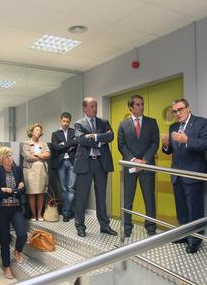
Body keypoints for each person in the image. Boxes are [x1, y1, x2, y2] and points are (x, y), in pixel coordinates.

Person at [161, 99, 207, 253]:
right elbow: (171, 151)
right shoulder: (173, 127)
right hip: (177, 174)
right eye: (174, 111)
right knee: (181, 208)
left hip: (193, 173)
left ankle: (195, 240)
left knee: (194, 209)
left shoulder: (201, 122)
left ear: (188, 108)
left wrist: (187, 140)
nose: (177, 113)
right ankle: (183, 234)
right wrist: (165, 145)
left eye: (180, 109)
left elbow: (206, 144)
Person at [74, 97, 117, 238]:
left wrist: (94, 136)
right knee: (82, 197)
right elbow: (81, 139)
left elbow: (110, 136)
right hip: (85, 164)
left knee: (101, 196)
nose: (95, 109)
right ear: (84, 108)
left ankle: (104, 226)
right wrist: (99, 142)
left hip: (101, 163)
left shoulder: (103, 122)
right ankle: (80, 226)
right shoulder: (79, 124)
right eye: (92, 106)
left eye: (96, 106)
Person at [117, 94, 159, 238]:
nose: (141, 107)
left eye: (142, 104)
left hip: (147, 166)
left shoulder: (152, 123)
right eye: (138, 104)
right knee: (127, 200)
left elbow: (155, 143)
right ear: (130, 107)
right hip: (130, 166)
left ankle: (151, 227)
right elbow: (121, 145)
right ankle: (127, 227)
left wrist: (144, 160)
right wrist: (134, 160)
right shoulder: (123, 125)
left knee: (149, 199)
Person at [0, 146, 27, 279]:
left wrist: (9, 190)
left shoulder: (17, 169)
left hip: (15, 208)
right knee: (5, 238)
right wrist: (15, 190)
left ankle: (18, 250)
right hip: (1, 210)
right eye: (7, 156)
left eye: (11, 155)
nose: (10, 158)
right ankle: (6, 266)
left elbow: (23, 189)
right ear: (1, 159)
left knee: (22, 234)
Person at [49, 112, 77, 222]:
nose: (65, 123)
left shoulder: (74, 132)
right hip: (61, 163)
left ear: (70, 122)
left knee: (71, 188)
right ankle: (68, 211)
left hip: (72, 162)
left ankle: (66, 212)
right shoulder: (55, 134)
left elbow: (76, 143)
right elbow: (55, 147)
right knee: (64, 189)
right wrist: (69, 145)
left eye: (67, 121)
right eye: (64, 121)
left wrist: (63, 145)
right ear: (61, 121)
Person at [22, 123, 51, 221]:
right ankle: (33, 215)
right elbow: (28, 157)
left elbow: (48, 155)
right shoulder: (26, 143)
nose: (38, 132)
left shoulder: (43, 144)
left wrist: (37, 155)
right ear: (31, 132)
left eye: (39, 130)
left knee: (41, 193)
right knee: (31, 193)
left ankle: (39, 214)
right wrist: (41, 156)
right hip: (30, 171)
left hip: (42, 171)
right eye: (36, 130)